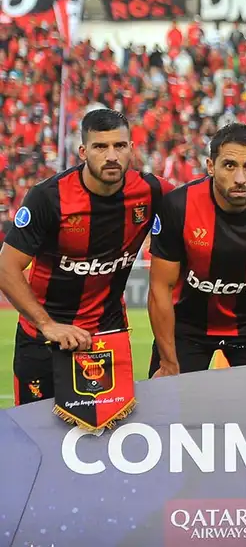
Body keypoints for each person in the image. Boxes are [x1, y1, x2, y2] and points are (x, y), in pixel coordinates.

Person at [0, 109, 171, 404]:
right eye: (100, 147)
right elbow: (6, 267)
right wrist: (47, 324)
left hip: (107, 335)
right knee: (35, 438)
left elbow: (204, 198)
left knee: (107, 438)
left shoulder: (151, 191)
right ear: (83, 151)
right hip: (42, 336)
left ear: (132, 148)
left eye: (119, 146)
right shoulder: (48, 198)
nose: (112, 156)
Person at [147, 123, 246, 375]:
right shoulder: (179, 206)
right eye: (229, 165)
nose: (240, 178)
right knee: (167, 409)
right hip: (187, 325)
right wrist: (168, 362)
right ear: (211, 167)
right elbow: (160, 288)